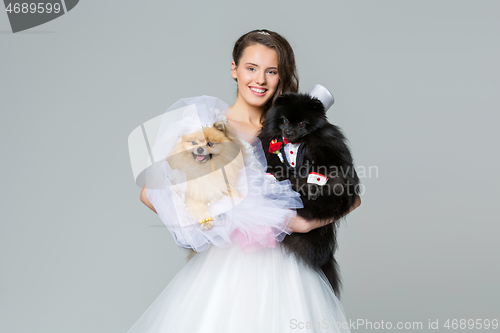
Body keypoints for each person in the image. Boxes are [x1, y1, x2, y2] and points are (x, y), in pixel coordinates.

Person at [130, 29, 360, 333]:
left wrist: (306, 224)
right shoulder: (207, 127)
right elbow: (151, 193)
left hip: (290, 267)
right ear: (234, 70)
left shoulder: (293, 128)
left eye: (271, 71)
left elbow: (350, 193)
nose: (260, 80)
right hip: (228, 266)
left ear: (281, 76)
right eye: (251, 68)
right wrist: (215, 221)